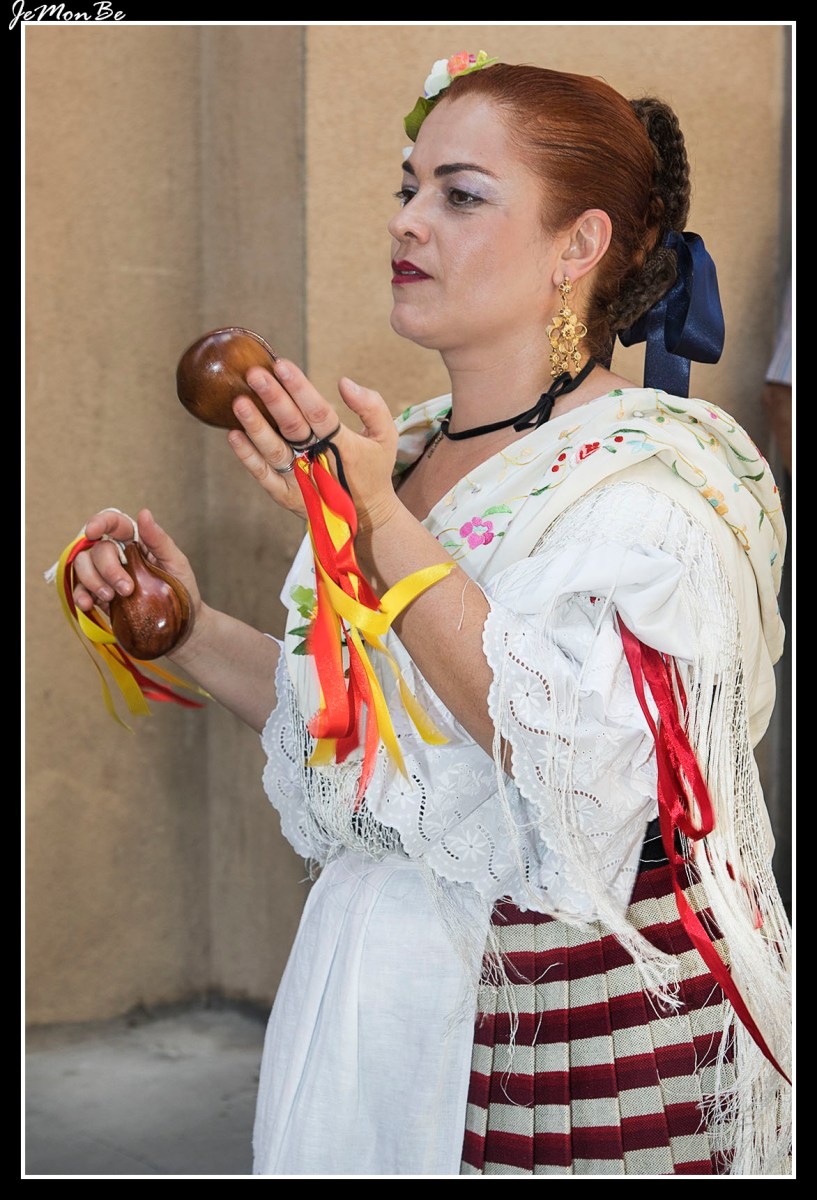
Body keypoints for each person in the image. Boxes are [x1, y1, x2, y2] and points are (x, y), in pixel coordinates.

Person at [69, 56, 792, 1176]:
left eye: (459, 195)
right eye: (408, 187)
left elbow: (572, 768)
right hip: (366, 1017)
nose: (407, 220)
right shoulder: (398, 452)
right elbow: (375, 733)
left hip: (563, 1042)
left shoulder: (654, 484)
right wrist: (188, 631)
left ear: (577, 244)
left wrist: (376, 527)